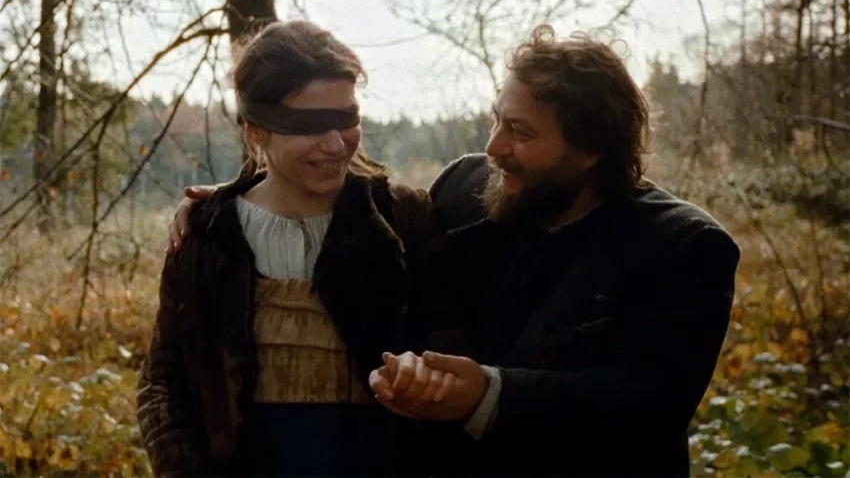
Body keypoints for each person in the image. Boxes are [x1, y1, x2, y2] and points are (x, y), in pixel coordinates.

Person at [167, 25, 741, 477]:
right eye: (496, 120)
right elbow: (349, 203)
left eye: (520, 132)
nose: (493, 147)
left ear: (592, 149)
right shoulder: (466, 190)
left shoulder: (681, 248)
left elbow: (643, 409)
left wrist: (487, 394)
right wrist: (228, 202)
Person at [136, 20, 453, 477]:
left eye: (347, 118)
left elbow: (449, 343)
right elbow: (164, 384)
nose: (335, 144)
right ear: (255, 131)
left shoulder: (403, 219)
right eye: (309, 125)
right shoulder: (208, 236)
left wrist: (419, 379)